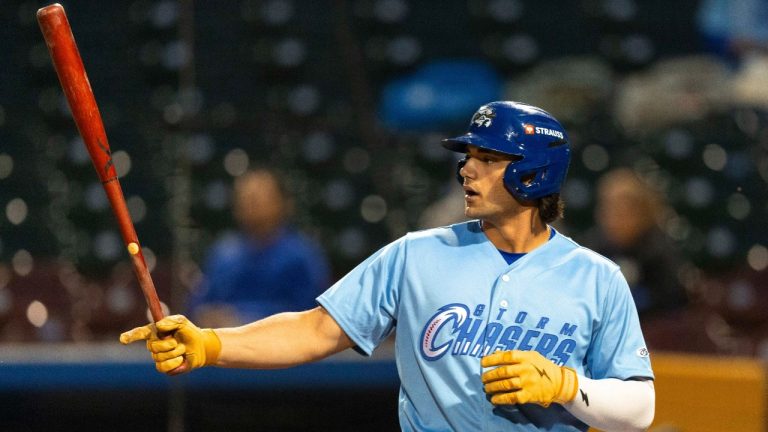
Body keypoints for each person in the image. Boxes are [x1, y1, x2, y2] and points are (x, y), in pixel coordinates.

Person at [121, 102, 655, 431]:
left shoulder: (596, 278)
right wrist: (213, 344)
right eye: (467, 156)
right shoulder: (417, 254)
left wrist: (566, 385)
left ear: (535, 175)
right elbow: (315, 330)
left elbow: (639, 408)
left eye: (487, 160)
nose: (466, 169)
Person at [186, 168, 331, 327]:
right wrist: (205, 315)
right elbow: (199, 303)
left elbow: (313, 313)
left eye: (258, 199)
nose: (251, 205)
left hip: (282, 345)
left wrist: (245, 318)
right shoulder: (223, 252)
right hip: (226, 344)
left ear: (282, 203)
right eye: (245, 198)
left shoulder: (302, 255)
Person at [581, 168, 689, 320]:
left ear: (642, 212)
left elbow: (670, 302)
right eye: (609, 208)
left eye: (623, 210)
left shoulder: (659, 251)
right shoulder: (590, 251)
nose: (614, 218)